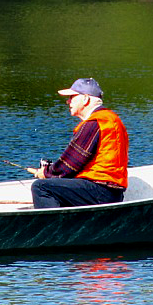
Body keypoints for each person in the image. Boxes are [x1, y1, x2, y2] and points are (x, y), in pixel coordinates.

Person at [27, 77, 129, 209]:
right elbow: (78, 164)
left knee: (41, 187)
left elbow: (70, 164)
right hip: (112, 192)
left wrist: (46, 173)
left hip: (100, 191)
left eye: (72, 97)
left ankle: (55, 228)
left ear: (86, 99)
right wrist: (53, 172)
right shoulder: (112, 119)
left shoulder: (94, 123)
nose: (68, 101)